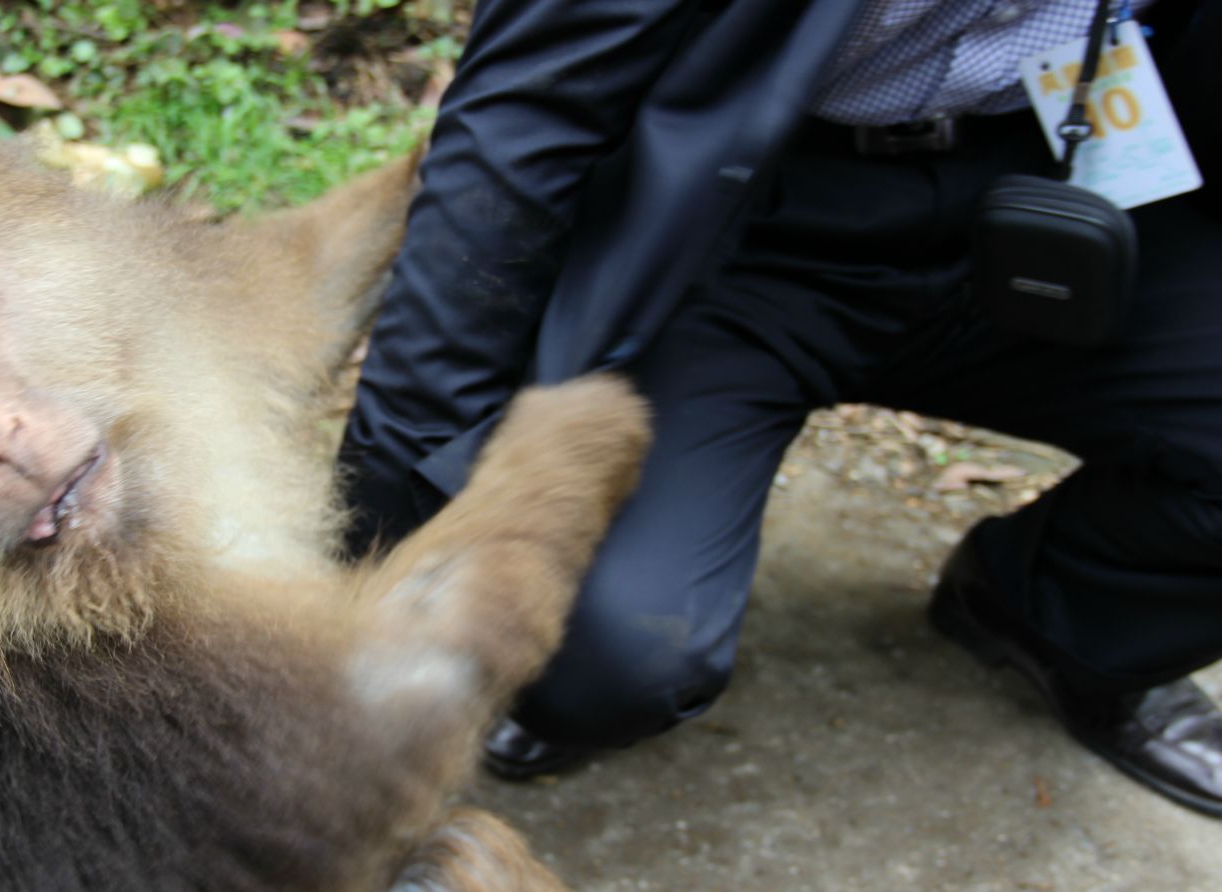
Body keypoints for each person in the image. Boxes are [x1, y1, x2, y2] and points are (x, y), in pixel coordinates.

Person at [336, 0, 1222, 817]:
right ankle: (564, 676)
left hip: (1064, 177)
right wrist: (394, 530)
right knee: (600, 648)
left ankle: (1046, 608)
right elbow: (525, 118)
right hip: (740, 211)